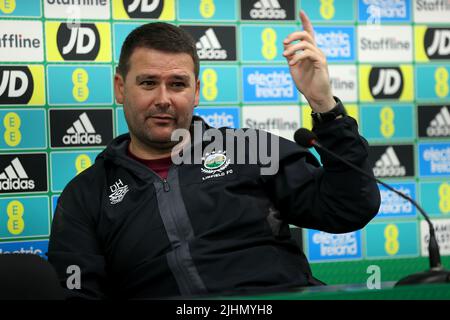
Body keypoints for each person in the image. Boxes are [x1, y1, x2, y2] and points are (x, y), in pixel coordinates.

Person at [48, 11, 381, 299]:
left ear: (196, 92)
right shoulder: (86, 195)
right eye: (148, 83)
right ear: (121, 88)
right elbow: (77, 293)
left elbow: (350, 207)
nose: (163, 99)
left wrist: (324, 106)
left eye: (177, 84)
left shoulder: (249, 150)